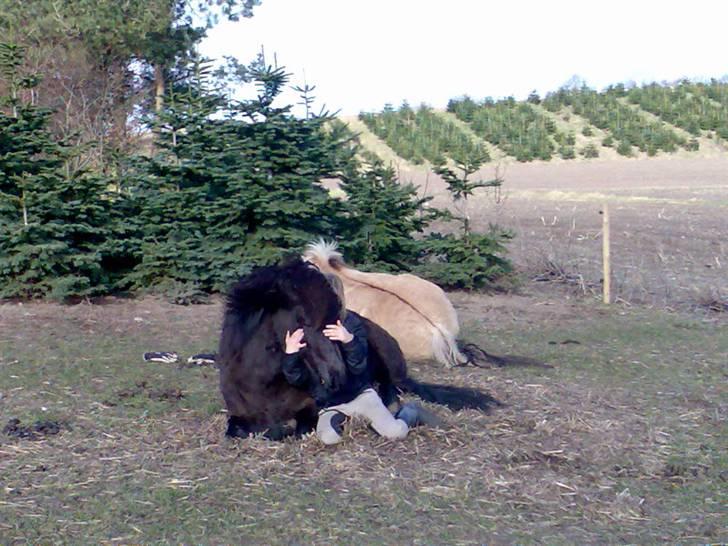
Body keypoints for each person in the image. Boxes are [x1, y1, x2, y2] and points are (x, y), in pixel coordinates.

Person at [282, 274, 423, 445]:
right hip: (330, 404)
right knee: (328, 439)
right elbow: (297, 379)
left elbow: (358, 367)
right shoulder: (303, 330)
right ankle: (344, 419)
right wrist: (290, 354)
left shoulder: (351, 323)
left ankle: (410, 412)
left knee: (395, 433)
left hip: (361, 396)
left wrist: (349, 341)